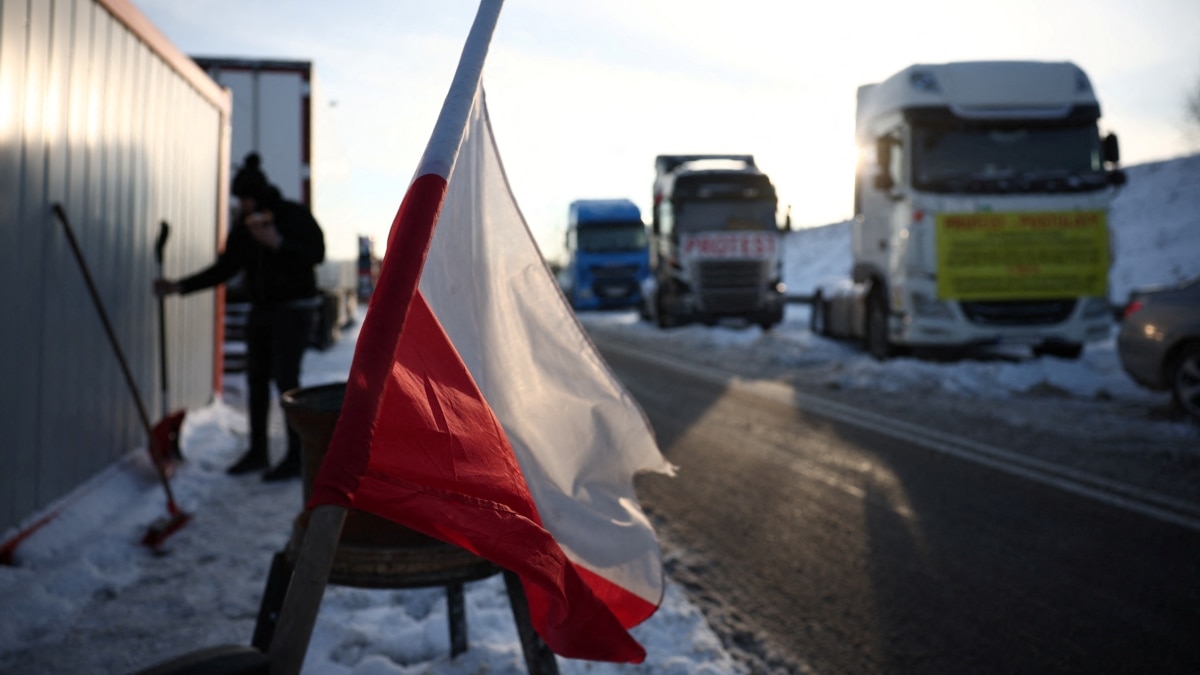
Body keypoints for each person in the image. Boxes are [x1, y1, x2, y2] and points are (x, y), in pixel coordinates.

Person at [155, 152, 325, 481]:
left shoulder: (292, 216)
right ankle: (258, 452)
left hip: (295, 310)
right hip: (261, 310)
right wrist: (179, 286)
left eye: (246, 199)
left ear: (259, 197)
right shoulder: (244, 232)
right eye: (240, 200)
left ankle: (295, 456)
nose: (243, 206)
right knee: (256, 379)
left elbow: (316, 253)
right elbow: (225, 268)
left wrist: (277, 242)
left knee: (286, 380)